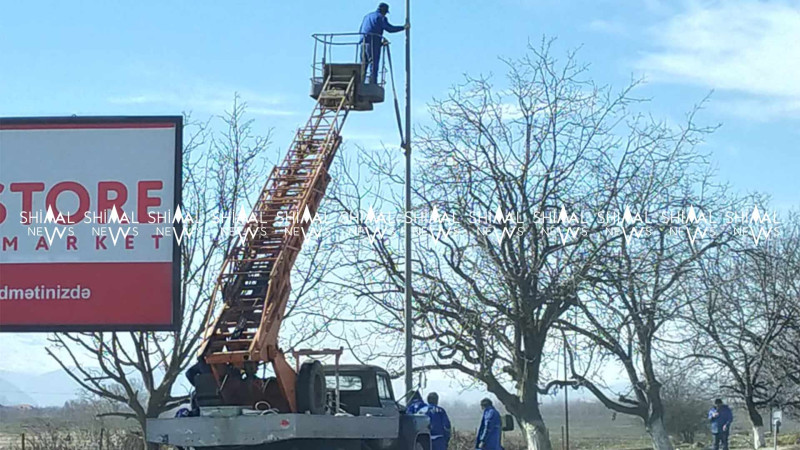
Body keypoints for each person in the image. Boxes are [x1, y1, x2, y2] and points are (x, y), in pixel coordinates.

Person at [359, 3, 408, 83]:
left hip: (363, 42)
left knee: (363, 65)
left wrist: (380, 42)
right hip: (373, 43)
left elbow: (363, 29)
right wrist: (403, 27)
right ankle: (373, 83)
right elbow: (389, 28)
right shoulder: (381, 17)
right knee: (373, 64)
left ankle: (360, 82)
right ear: (384, 11)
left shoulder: (367, 16)